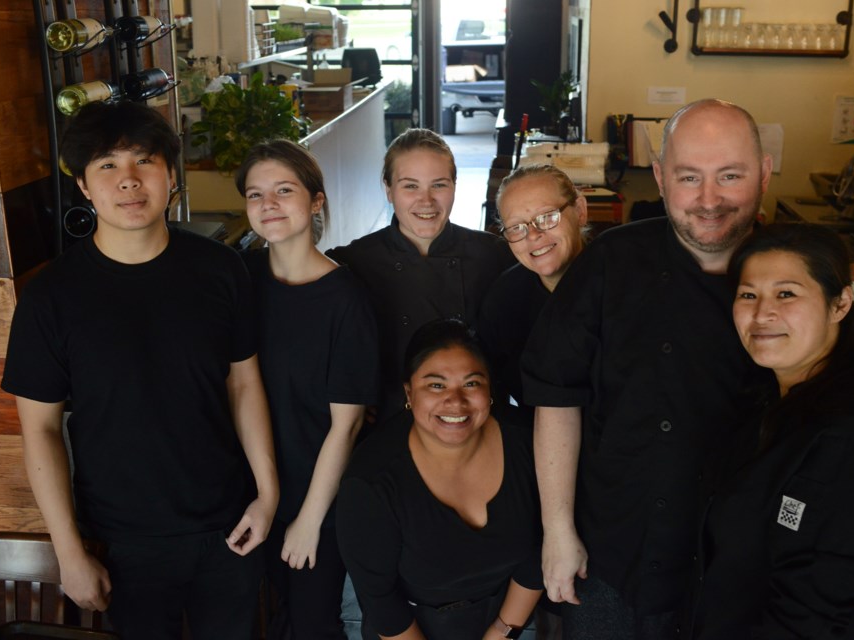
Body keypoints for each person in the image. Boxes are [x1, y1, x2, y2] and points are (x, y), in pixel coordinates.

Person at [0, 101, 279, 639]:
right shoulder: (52, 297)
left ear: (170, 174)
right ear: (83, 185)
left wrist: (267, 497)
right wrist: (70, 553)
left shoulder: (221, 269)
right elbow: (38, 430)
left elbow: (244, 383)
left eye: (143, 161)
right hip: (121, 540)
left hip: (228, 524)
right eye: (107, 165)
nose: (128, 180)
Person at [519, 98, 774, 639]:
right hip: (612, 549)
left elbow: (843, 411)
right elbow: (557, 395)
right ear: (659, 178)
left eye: (730, 175)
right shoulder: (611, 262)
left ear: (765, 173)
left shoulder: (797, 276)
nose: (709, 200)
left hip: (741, 565)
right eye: (688, 177)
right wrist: (558, 530)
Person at [687, 223, 854, 638]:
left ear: (840, 303)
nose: (761, 314)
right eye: (748, 295)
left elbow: (817, 613)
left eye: (787, 294)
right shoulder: (765, 398)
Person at [235, 139, 380, 639]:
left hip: (317, 496)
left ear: (316, 200)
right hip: (246, 489)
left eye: (283, 190)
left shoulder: (346, 299)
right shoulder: (242, 281)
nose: (268, 205)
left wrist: (309, 521)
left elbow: (348, 424)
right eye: (255, 195)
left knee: (312, 623)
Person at [336, 319, 544, 640]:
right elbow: (380, 598)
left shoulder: (529, 443)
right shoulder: (371, 482)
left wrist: (502, 632)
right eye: (436, 385)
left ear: (491, 389)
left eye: (472, 383)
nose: (456, 401)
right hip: (407, 625)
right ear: (409, 392)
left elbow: (541, 547)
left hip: (511, 613)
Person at [327, 128, 514, 426]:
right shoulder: (352, 262)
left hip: (476, 423)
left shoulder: (495, 256)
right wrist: (357, 398)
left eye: (438, 185)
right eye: (410, 186)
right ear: (388, 189)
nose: (426, 201)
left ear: (455, 185)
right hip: (389, 426)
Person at [478, 164, 589, 415]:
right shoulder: (502, 302)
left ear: (580, 211)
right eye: (517, 227)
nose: (533, 235)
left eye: (548, 216)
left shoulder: (624, 284)